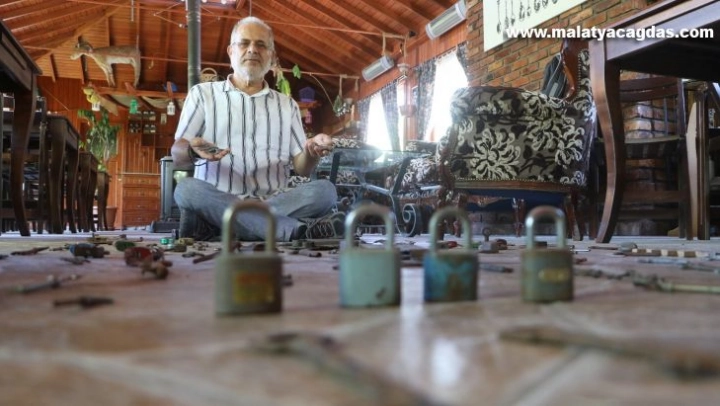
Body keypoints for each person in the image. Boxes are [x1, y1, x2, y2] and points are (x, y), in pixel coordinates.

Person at [171, 16, 343, 242]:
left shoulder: (287, 105)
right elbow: (177, 155)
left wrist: (311, 152)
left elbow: (302, 169)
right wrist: (191, 150)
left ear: (271, 56)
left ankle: (228, 226)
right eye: (244, 43)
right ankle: (292, 230)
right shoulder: (203, 95)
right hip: (219, 198)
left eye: (261, 45)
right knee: (187, 189)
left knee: (326, 191)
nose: (252, 49)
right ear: (231, 51)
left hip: (273, 202)